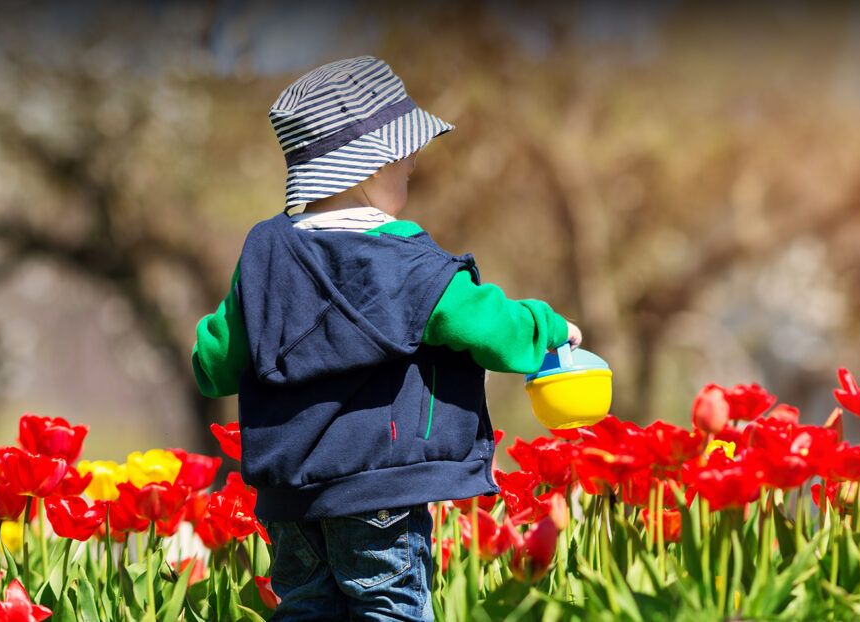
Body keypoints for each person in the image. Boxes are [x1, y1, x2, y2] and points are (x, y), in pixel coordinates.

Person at [189, 56, 579, 622]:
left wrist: (220, 332)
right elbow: (495, 330)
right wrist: (550, 326)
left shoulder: (265, 254)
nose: (413, 163)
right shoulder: (408, 262)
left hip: (291, 501)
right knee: (390, 608)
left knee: (305, 609)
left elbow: (214, 364)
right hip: (380, 493)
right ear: (367, 169)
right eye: (404, 158)